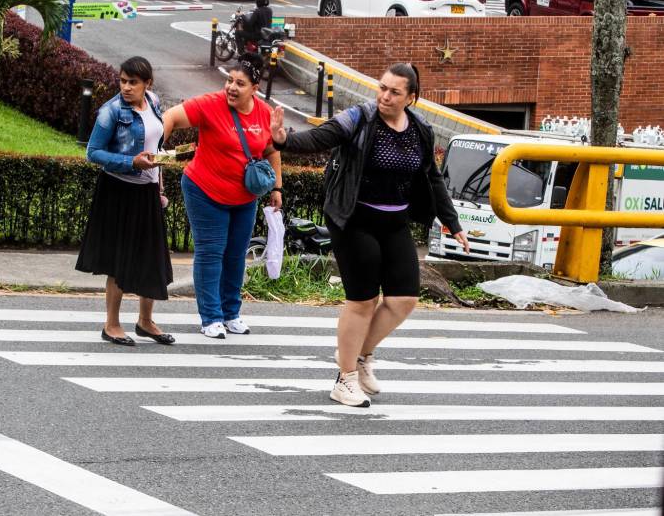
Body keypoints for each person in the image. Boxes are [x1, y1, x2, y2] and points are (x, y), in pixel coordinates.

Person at [270, 62, 470, 407]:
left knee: (404, 299)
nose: (385, 96)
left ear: (411, 97)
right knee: (363, 300)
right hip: (353, 219)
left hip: (394, 222)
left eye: (394, 92)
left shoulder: (420, 130)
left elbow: (432, 177)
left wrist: (452, 222)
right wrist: (285, 139)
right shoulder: (360, 119)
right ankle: (345, 379)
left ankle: (359, 355)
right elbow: (322, 136)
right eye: (382, 88)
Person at [163, 52, 282, 339]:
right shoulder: (210, 104)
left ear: (254, 89)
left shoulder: (264, 112)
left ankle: (231, 313)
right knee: (211, 252)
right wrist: (155, 151)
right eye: (229, 80)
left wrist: (277, 187)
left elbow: (270, 150)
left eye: (240, 83)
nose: (231, 87)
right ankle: (211, 317)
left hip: (244, 196)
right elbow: (170, 117)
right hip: (205, 190)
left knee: (236, 255)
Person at [76, 56, 175, 347]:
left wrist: (160, 177)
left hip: (147, 190)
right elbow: (93, 152)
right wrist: (131, 162)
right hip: (119, 190)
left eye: (133, 82)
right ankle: (111, 324)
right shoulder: (111, 111)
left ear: (148, 84)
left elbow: (155, 144)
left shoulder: (153, 102)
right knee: (118, 261)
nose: (126, 87)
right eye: (123, 81)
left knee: (151, 258)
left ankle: (145, 321)